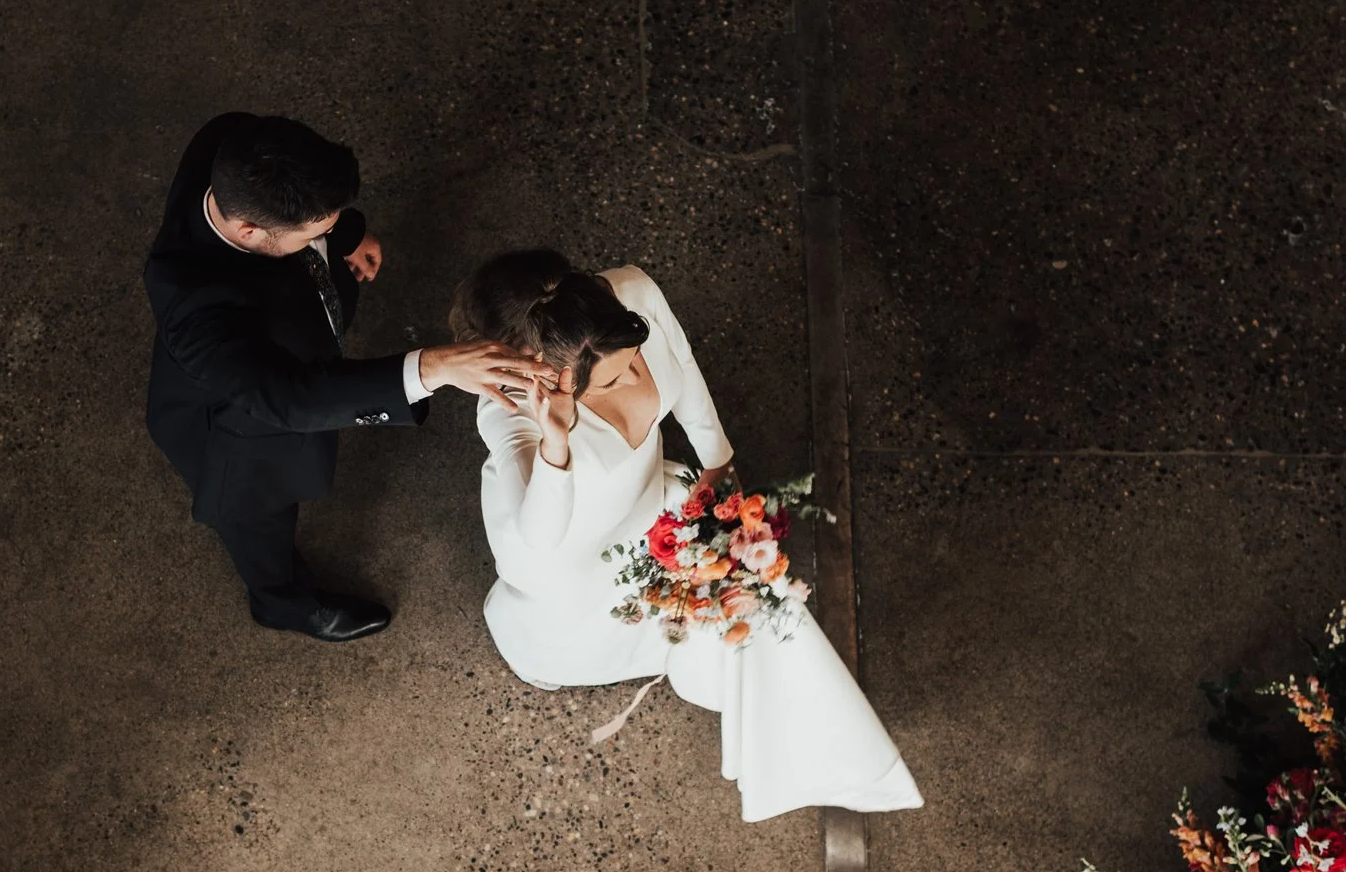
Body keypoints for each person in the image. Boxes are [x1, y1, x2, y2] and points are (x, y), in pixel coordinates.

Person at [455, 250, 921, 821]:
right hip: (565, 551)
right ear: (547, 375)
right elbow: (539, 538)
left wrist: (719, 463)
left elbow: (684, 368)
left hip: (649, 503)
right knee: (579, 635)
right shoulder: (507, 412)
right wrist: (556, 440)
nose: (633, 376)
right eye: (612, 379)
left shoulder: (631, 292)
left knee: (745, 619)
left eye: (631, 362)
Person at [144, 114, 546, 641]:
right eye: (315, 233)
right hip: (236, 433)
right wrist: (433, 366)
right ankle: (282, 602)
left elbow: (308, 210)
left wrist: (347, 233)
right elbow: (290, 400)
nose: (327, 235)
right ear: (248, 231)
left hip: (291, 340)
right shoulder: (194, 304)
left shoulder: (230, 141)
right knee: (258, 525)